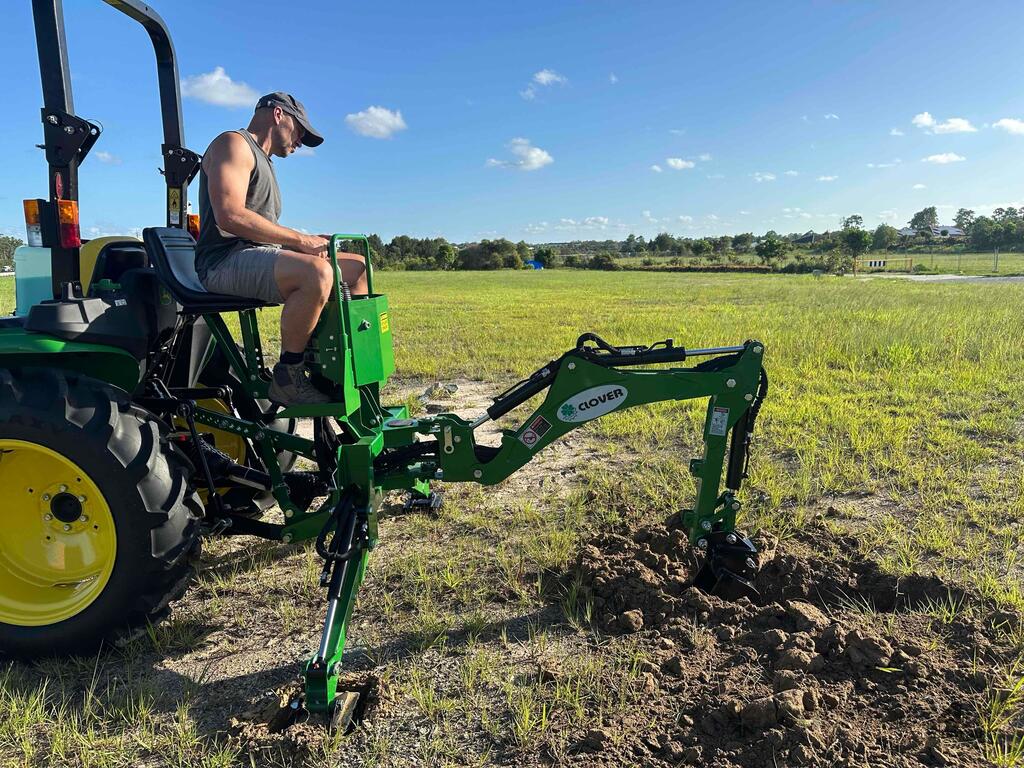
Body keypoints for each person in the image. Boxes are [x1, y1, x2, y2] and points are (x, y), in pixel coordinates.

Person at [194, 92, 368, 405]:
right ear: (278, 115)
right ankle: (289, 375)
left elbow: (263, 230)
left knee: (356, 266)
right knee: (316, 273)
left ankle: (344, 367)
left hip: (255, 255)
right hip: (223, 261)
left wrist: (308, 242)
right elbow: (230, 215)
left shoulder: (265, 162)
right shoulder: (234, 144)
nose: (300, 140)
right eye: (299, 130)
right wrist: (300, 241)